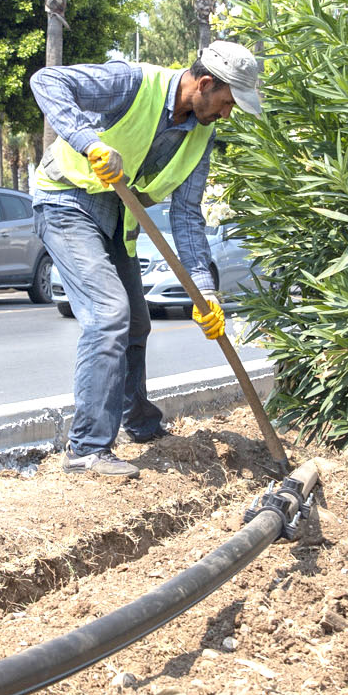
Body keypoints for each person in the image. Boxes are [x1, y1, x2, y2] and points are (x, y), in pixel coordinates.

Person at [28, 41, 262, 477]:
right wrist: (87, 141)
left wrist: (204, 290)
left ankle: (140, 423)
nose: (228, 114)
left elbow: (189, 217)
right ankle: (86, 450)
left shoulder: (201, 134)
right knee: (108, 314)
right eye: (228, 102)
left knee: (136, 322)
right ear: (205, 83)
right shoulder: (134, 83)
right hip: (64, 202)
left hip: (117, 213)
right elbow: (46, 81)